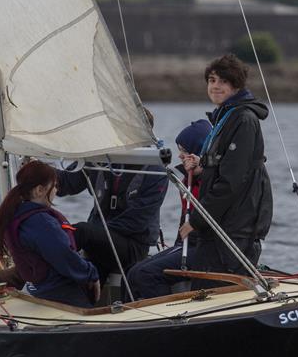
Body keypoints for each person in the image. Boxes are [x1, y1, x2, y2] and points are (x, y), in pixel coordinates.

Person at [178, 54, 273, 289]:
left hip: (235, 229)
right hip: (221, 226)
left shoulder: (244, 119)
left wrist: (197, 221)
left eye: (223, 81)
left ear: (237, 85)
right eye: (211, 80)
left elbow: (231, 180)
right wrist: (202, 165)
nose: (215, 86)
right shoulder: (228, 115)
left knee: (214, 290)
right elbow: (223, 164)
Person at [56, 109, 169, 284]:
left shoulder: (155, 169)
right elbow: (65, 183)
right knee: (59, 231)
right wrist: (37, 170)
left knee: (82, 231)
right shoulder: (100, 158)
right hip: (101, 240)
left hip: (132, 246)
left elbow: (136, 222)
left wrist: (95, 233)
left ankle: (21, 274)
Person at [0, 161, 100, 308]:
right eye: (54, 186)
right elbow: (63, 256)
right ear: (40, 190)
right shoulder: (42, 223)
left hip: (39, 289)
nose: (56, 191)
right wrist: (92, 274)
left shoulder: (17, 214)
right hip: (60, 292)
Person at [126, 120, 212, 300]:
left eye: (185, 151)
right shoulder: (188, 180)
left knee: (146, 274)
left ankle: (164, 317)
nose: (180, 156)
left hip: (205, 248)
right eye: (179, 150)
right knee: (132, 273)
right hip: (187, 245)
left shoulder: (211, 182)